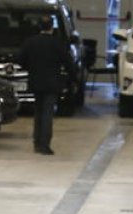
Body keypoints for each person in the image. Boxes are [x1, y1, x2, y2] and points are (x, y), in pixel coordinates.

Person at [17, 16, 76, 155]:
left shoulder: (30, 42)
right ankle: (44, 145)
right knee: (48, 114)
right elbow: (68, 62)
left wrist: (30, 68)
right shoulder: (57, 43)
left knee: (38, 112)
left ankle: (36, 142)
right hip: (52, 83)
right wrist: (73, 77)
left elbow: (19, 59)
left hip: (36, 81)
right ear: (52, 27)